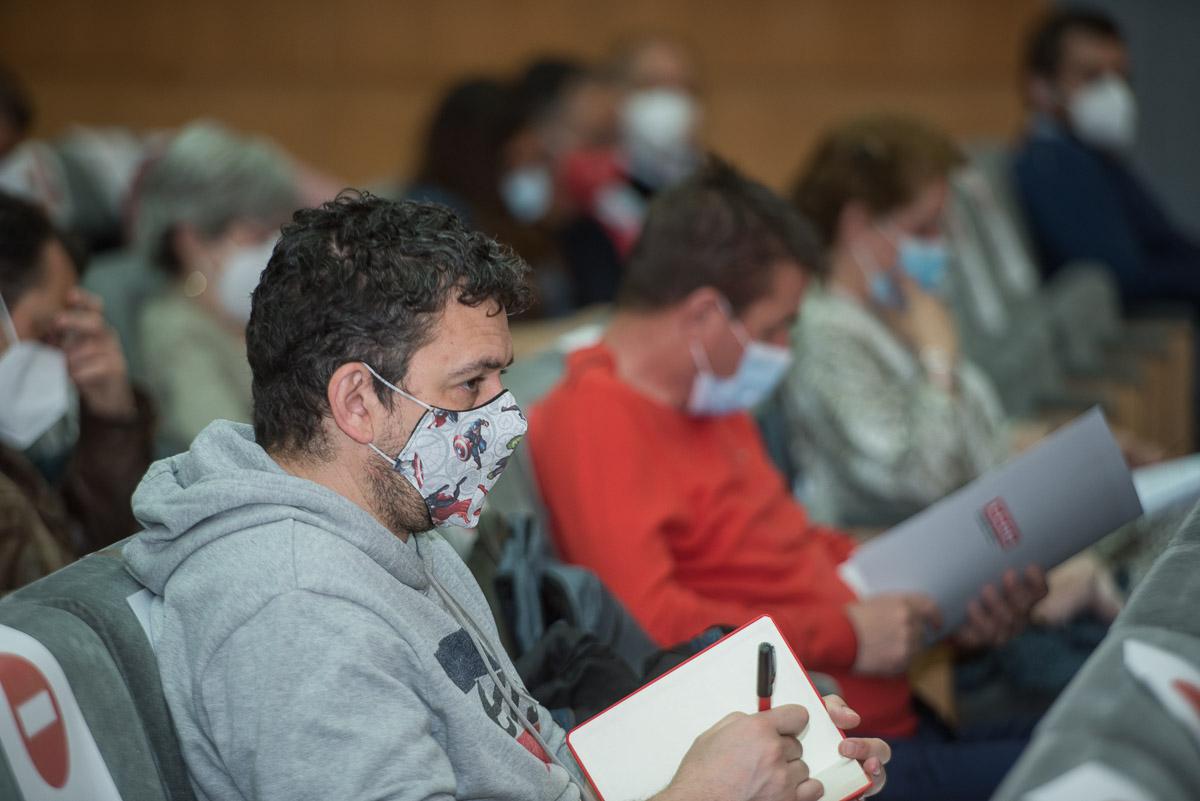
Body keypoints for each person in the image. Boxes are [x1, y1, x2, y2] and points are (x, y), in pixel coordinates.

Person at [122, 192, 889, 801]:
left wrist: (750, 755)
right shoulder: (292, 612)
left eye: (501, 377)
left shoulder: (398, 533)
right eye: (472, 384)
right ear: (358, 401)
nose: (505, 416)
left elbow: (538, 761)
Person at [529, 161, 1047, 801]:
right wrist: (849, 634)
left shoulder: (709, 397)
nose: (781, 348)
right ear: (704, 317)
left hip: (879, 721)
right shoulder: (592, 420)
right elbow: (654, 626)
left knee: (1104, 732)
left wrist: (943, 593)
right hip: (811, 761)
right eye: (775, 328)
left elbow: (802, 545)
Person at [0, 191, 154, 591]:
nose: (61, 360)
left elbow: (98, 563)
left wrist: (111, 415)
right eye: (47, 331)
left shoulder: (22, 469)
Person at [1012, 7, 1200, 312]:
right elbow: (1119, 279)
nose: (1113, 92)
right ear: (1041, 89)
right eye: (1091, 76)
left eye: (1120, 77)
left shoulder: (1098, 160)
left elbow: (1168, 242)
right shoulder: (1050, 165)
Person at [133, 122, 298, 454]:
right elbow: (231, 454)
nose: (273, 247)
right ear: (190, 241)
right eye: (257, 235)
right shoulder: (174, 329)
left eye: (277, 232)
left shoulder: (259, 316)